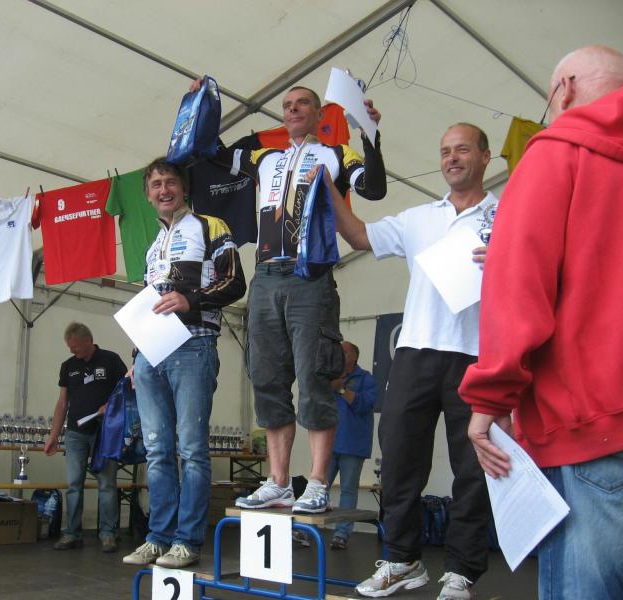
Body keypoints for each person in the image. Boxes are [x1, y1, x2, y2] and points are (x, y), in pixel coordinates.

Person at [458, 45, 623, 600]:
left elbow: (519, 286)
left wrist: (489, 401)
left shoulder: (559, 151)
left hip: (595, 421)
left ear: (564, 90)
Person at [324, 122, 495, 598]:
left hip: (478, 353)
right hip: (415, 350)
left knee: (472, 468)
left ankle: (462, 570)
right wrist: (326, 189)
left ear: (486, 156)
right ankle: (402, 559)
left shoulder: (509, 215)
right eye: (445, 151)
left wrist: (509, 259)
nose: (451, 158)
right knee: (398, 459)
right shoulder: (420, 217)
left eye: (462, 149)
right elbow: (359, 235)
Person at [201, 80, 389, 515]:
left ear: (319, 113)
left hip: (310, 275)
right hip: (266, 274)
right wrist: (204, 100)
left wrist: (370, 135)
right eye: (287, 105)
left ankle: (318, 481)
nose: (293, 109)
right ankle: (279, 481)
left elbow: (373, 188)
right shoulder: (264, 157)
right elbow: (212, 152)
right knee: (267, 378)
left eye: (303, 103)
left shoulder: (338, 154)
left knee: (315, 377)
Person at [122, 158, 246, 569]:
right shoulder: (152, 246)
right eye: (156, 184)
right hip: (151, 354)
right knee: (157, 450)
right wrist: (136, 356)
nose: (164, 190)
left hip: (195, 344)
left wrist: (191, 299)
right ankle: (158, 538)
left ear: (184, 188)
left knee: (191, 449)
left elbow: (235, 281)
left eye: (170, 182)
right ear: (147, 195)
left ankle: (187, 542)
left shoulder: (210, 226)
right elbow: (148, 305)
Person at [44, 322, 127, 552]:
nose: (73, 351)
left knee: (107, 483)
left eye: (76, 347)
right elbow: (62, 403)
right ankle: (72, 533)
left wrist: (110, 405)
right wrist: (54, 435)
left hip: (105, 432)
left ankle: (108, 534)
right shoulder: (68, 366)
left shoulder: (111, 360)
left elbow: (127, 389)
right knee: (74, 483)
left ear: (89, 341)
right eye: (70, 347)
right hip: (75, 432)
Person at [328, 341, 378, 550]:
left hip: (353, 444)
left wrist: (341, 389)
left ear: (354, 356)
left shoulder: (366, 378)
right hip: (328, 442)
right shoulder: (329, 377)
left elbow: (366, 404)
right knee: (318, 487)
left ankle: (341, 534)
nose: (339, 353)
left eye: (344, 350)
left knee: (348, 490)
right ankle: (305, 529)